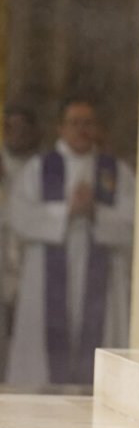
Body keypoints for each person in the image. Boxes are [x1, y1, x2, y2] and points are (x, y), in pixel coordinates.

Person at [6, 96, 135, 387]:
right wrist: (67, 211)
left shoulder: (115, 172)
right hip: (45, 271)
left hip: (101, 267)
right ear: (60, 129)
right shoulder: (39, 168)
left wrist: (96, 212)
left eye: (88, 123)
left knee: (98, 333)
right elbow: (20, 216)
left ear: (98, 128)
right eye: (74, 123)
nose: (81, 130)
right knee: (43, 344)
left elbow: (133, 223)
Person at [0, 103, 41, 371]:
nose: (17, 133)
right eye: (10, 127)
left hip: (31, 257)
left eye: (22, 128)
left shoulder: (43, 167)